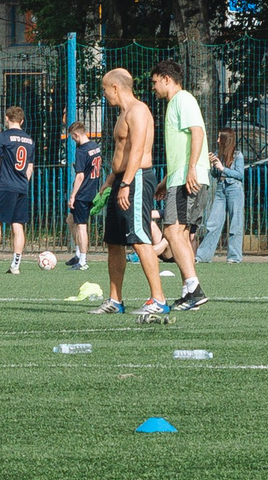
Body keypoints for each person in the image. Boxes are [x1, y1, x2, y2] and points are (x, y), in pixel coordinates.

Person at [92, 68, 162, 315]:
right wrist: (111, 180)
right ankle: (115, 300)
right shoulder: (122, 114)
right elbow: (121, 152)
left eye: (104, 89)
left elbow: (137, 150)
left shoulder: (139, 111)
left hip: (137, 178)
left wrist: (126, 184)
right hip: (122, 179)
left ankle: (158, 300)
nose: (104, 94)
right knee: (113, 242)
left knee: (139, 237)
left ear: (115, 87)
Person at [145, 59, 210, 312]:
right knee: (181, 233)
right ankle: (188, 291)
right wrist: (165, 181)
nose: (154, 88)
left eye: (154, 82)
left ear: (166, 78)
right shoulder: (175, 103)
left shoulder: (182, 99)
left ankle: (194, 288)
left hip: (188, 177)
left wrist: (191, 169)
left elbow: (198, 132)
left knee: (172, 232)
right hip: (180, 176)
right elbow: (180, 148)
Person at [0, 106, 37, 273]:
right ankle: (15, 265)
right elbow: (29, 168)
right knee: (18, 225)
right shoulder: (29, 140)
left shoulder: (3, 137)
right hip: (22, 187)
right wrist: (22, 183)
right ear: (22, 121)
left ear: (7, 118)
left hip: (5, 186)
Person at [201, 129, 248, 265]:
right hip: (221, 188)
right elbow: (215, 175)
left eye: (219, 138)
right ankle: (203, 256)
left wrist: (223, 169)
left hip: (234, 189)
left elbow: (240, 175)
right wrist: (212, 165)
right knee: (213, 222)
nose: (217, 141)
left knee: (236, 223)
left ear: (226, 140)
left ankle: (234, 256)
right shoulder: (218, 154)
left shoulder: (238, 155)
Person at [65, 120, 103, 269]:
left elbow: (80, 176)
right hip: (92, 189)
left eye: (72, 137)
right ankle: (78, 254)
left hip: (83, 193)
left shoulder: (81, 151)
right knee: (70, 220)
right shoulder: (95, 146)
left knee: (81, 226)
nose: (73, 140)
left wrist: (73, 195)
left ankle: (83, 261)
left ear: (76, 134)